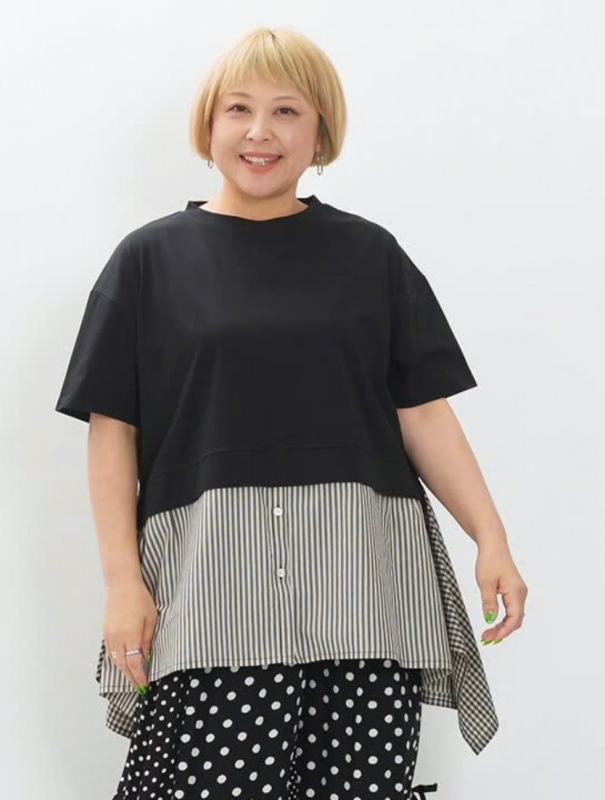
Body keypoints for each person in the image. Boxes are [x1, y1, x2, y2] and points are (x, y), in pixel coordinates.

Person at [55, 26, 528, 800]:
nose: (260, 132)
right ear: (209, 125)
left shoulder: (371, 256)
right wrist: (120, 583)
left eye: (286, 111)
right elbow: (114, 433)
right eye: (239, 109)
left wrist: (491, 537)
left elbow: (423, 413)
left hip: (363, 584)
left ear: (320, 133)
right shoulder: (147, 262)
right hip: (211, 590)